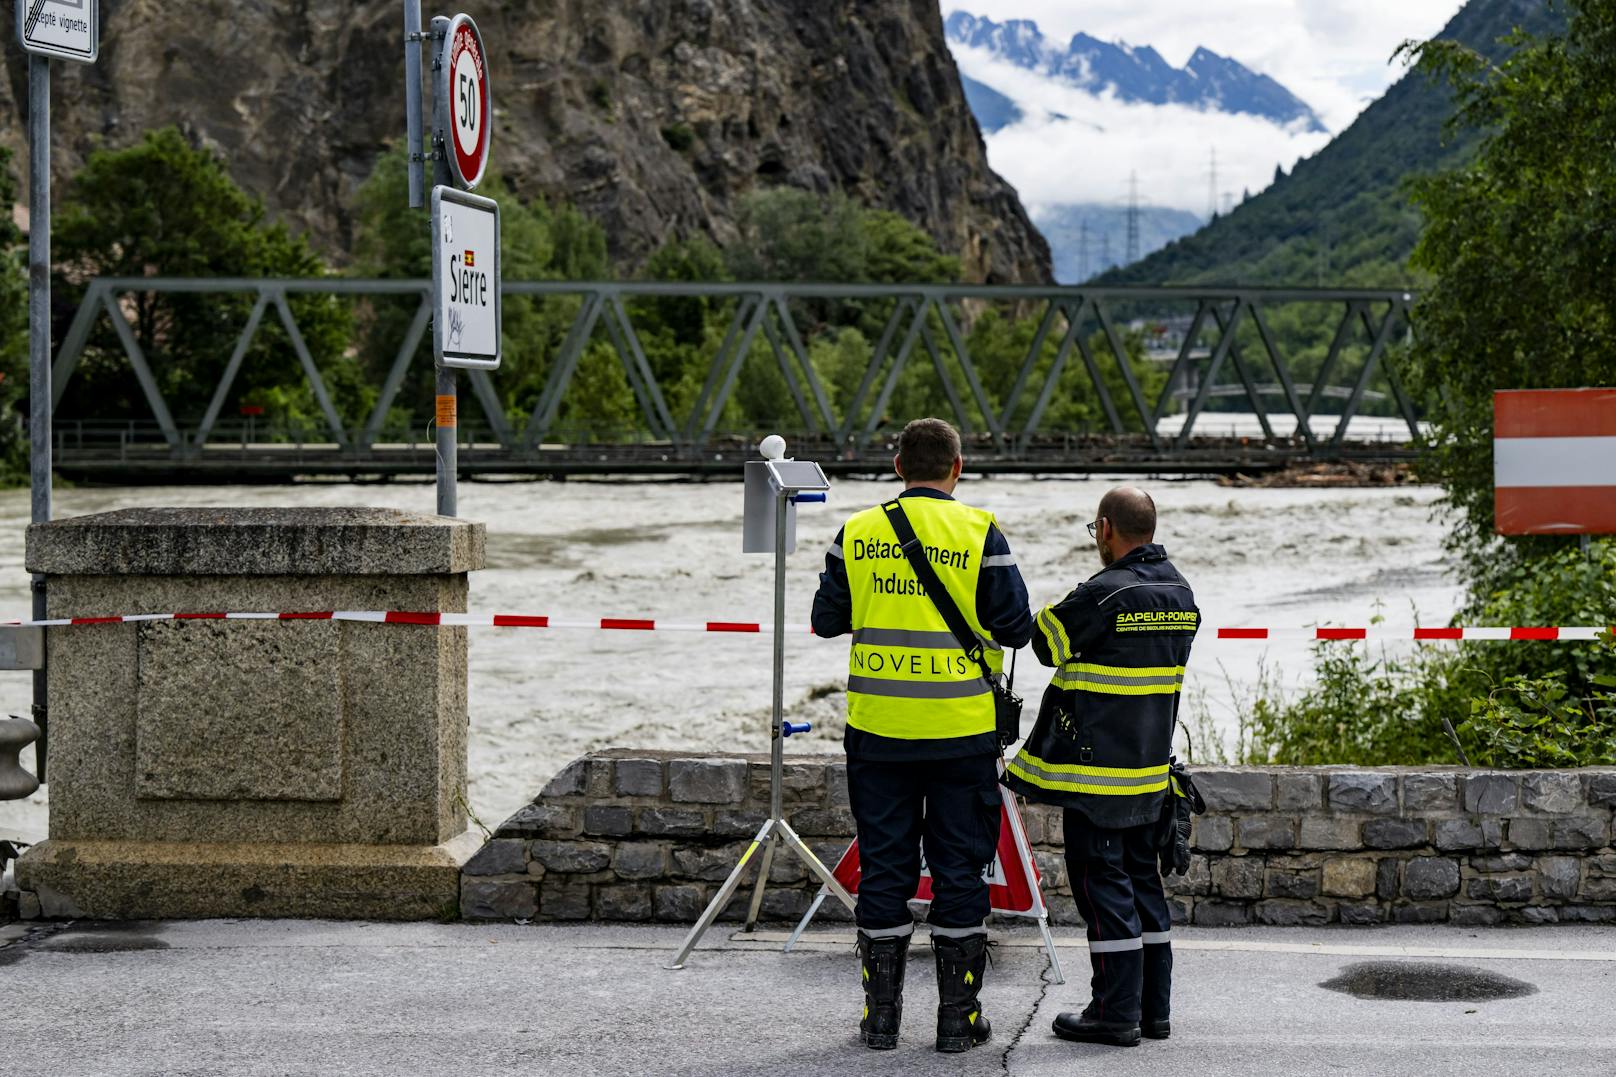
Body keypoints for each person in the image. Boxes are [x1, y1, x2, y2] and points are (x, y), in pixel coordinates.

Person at [811, 417, 1032, 1053]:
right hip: (961, 732)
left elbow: (827, 620)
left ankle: (880, 1022)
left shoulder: (856, 532)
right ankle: (957, 1023)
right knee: (960, 869)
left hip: (879, 730)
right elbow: (1015, 627)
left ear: (899, 466)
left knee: (886, 868)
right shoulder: (979, 530)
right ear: (957, 469)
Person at [1002, 487, 1200, 1048]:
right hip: (1150, 776)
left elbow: (1042, 643)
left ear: (1107, 528)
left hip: (1097, 778)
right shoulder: (1179, 592)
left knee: (1103, 891)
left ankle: (1114, 1016)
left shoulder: (1105, 593)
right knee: (1144, 886)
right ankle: (1151, 1012)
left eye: (1096, 531)